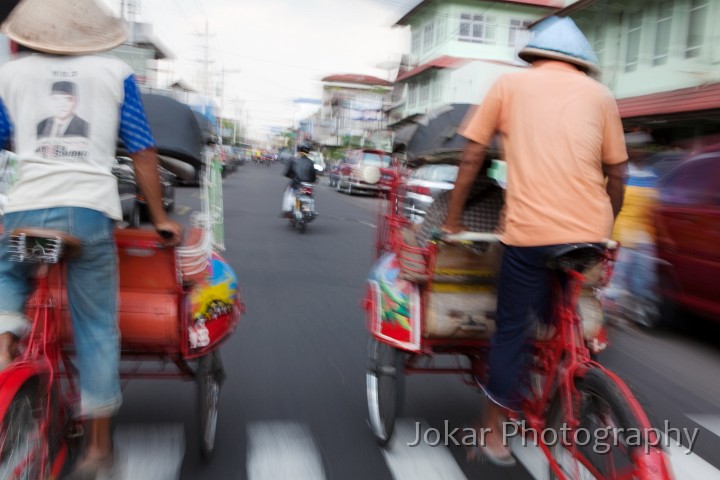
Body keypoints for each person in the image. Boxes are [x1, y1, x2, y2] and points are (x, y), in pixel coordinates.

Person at [0, 0, 183, 477]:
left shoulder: (10, 75)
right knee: (96, 327)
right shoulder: (116, 71)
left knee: (8, 275)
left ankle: (3, 353)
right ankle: (100, 450)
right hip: (85, 221)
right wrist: (160, 217)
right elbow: (142, 151)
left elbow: (3, 143)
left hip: (24, 213)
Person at [442, 16, 627, 466]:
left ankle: (494, 436)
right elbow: (618, 173)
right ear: (581, 63)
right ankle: (570, 378)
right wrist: (606, 226)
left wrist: (450, 221)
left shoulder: (509, 85)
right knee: (560, 313)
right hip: (590, 234)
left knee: (511, 330)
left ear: (535, 57)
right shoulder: (601, 96)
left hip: (530, 235)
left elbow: (470, 157)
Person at [604, 131, 660, 326]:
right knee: (617, 278)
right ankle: (609, 313)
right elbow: (607, 200)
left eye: (643, 147)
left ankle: (631, 313)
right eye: (635, 147)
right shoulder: (620, 173)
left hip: (644, 236)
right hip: (621, 234)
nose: (639, 151)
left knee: (642, 279)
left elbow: (655, 207)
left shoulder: (651, 175)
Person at [281, 140, 317, 216]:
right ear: (308, 151)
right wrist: (313, 180)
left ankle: (287, 210)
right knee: (310, 196)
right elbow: (314, 176)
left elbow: (287, 173)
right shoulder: (311, 162)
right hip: (308, 185)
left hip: (296, 184)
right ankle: (306, 208)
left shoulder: (294, 160)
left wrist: (290, 176)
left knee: (287, 193)